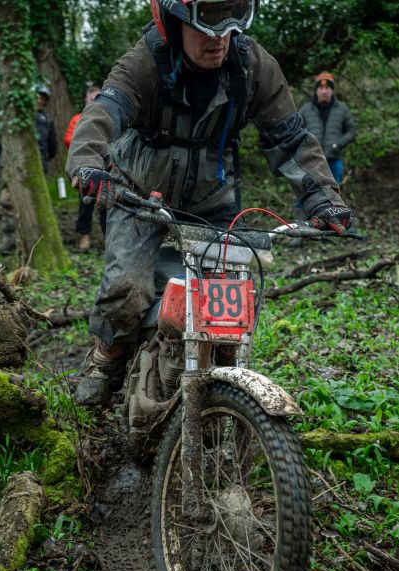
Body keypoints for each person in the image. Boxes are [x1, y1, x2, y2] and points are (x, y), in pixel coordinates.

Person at [66, 0, 354, 406]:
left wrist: (324, 197)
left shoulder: (252, 65)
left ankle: (222, 383)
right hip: (138, 196)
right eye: (207, 22)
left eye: (233, 20)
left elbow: (290, 139)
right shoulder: (144, 62)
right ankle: (106, 359)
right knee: (126, 289)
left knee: (228, 306)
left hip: (214, 200)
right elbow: (103, 114)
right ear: (173, 23)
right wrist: (87, 164)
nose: (220, 36)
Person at [64, 86, 106, 251]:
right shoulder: (77, 119)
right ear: (86, 100)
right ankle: (84, 236)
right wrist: (84, 140)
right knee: (85, 203)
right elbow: (68, 139)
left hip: (106, 167)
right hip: (84, 166)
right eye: (91, 99)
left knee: (106, 203)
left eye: (98, 99)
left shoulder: (108, 119)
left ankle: (108, 237)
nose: (94, 102)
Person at [299, 71, 356, 185]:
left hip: (334, 160)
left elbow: (351, 131)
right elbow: (297, 132)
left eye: (327, 88)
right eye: (321, 88)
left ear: (332, 90)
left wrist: (339, 144)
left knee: (335, 193)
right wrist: (306, 147)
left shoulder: (342, 109)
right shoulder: (306, 110)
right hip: (312, 162)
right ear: (316, 91)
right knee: (310, 193)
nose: (324, 91)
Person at [36, 85, 57, 173]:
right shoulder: (25, 117)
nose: (39, 101)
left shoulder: (48, 120)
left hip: (42, 160)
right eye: (37, 98)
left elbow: (52, 143)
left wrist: (47, 156)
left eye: (42, 99)